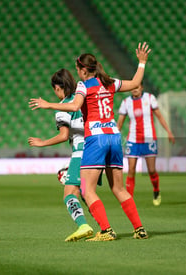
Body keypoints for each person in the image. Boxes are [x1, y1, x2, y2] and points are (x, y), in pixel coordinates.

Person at [29, 42, 151, 241]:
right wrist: (142, 62)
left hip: (96, 138)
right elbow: (136, 83)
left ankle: (106, 230)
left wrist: (47, 105)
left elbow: (75, 104)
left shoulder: (83, 86)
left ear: (83, 70)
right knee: (119, 189)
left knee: (87, 189)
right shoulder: (110, 82)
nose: (77, 73)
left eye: (77, 69)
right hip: (113, 135)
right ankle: (139, 229)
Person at [28, 68, 93, 241]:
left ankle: (83, 225)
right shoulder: (82, 99)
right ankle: (105, 228)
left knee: (69, 194)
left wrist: (42, 143)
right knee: (87, 192)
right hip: (96, 149)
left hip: (81, 151)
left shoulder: (62, 107)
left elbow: (64, 136)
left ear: (58, 88)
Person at [117, 83, 175, 206]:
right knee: (131, 170)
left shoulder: (150, 98)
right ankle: (129, 200)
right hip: (133, 140)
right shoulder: (126, 102)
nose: (134, 90)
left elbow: (159, 116)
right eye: (132, 88)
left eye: (136, 87)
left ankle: (156, 191)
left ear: (142, 88)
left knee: (152, 170)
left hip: (149, 139)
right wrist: (115, 137)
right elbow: (120, 122)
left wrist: (169, 131)